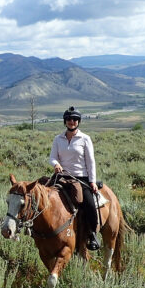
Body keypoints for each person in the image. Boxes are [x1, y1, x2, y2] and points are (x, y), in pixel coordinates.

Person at [49, 106, 100, 250]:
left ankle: (92, 235)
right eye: (69, 119)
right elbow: (52, 157)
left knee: (89, 204)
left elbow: (91, 162)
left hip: (80, 177)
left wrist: (92, 181)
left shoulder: (85, 139)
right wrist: (56, 164)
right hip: (62, 176)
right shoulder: (58, 139)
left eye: (75, 119)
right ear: (65, 121)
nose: (72, 121)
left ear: (79, 122)